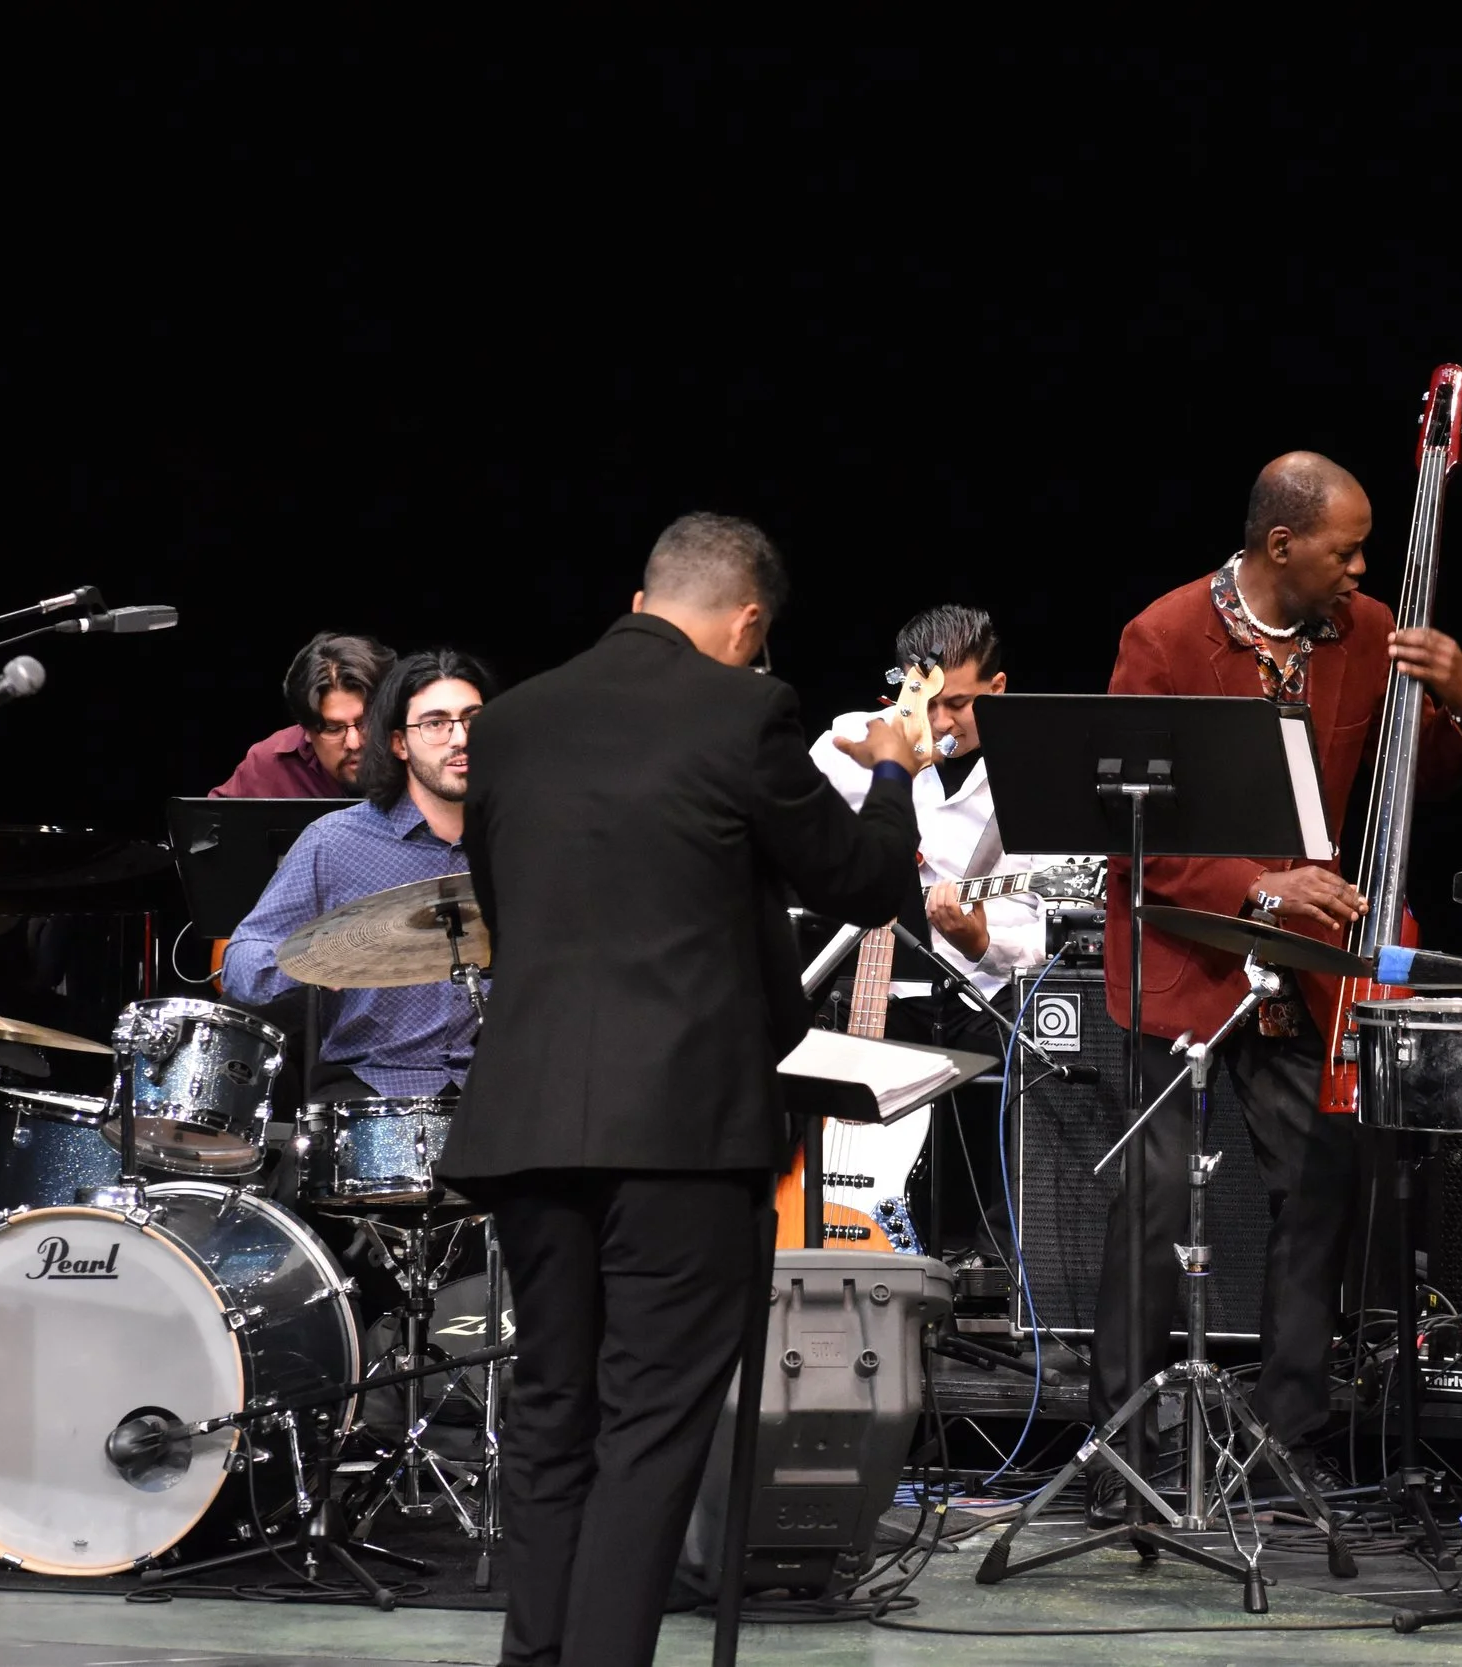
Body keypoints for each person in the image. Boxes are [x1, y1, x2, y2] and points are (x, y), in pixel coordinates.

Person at [435, 513, 926, 1667]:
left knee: (554, 1408)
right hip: (682, 1129)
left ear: (645, 593)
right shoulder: (746, 709)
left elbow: (517, 904)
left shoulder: (511, 721)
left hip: (531, 1118)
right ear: (748, 623)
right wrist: (897, 767)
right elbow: (864, 885)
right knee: (651, 1425)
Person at [1089, 450, 1462, 1522]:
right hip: (1188, 955)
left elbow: (1420, 786)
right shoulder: (1165, 634)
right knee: (1152, 1198)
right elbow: (1138, 840)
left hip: (1310, 972)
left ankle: (1282, 1439)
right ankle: (1122, 1449)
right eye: (1346, 548)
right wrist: (1263, 888)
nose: (1364, 567)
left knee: (1319, 1194)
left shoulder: (1363, 634)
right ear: (1281, 545)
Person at [222, 647, 495, 1097]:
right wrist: (313, 961)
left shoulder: (524, 838)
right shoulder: (335, 842)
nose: (460, 738)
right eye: (435, 724)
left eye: (473, 718)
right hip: (374, 1083)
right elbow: (241, 963)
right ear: (398, 743)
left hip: (499, 1088)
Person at [809, 604, 1047, 997]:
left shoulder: (1044, 770)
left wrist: (984, 946)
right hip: (862, 988)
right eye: (925, 704)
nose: (940, 723)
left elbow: (1062, 929)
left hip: (988, 994)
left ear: (998, 687)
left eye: (957, 704)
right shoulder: (848, 744)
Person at [209, 631, 396, 797]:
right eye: (332, 729)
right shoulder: (269, 765)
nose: (354, 742)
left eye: (366, 722)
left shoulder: (420, 750)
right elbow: (208, 831)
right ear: (305, 729)